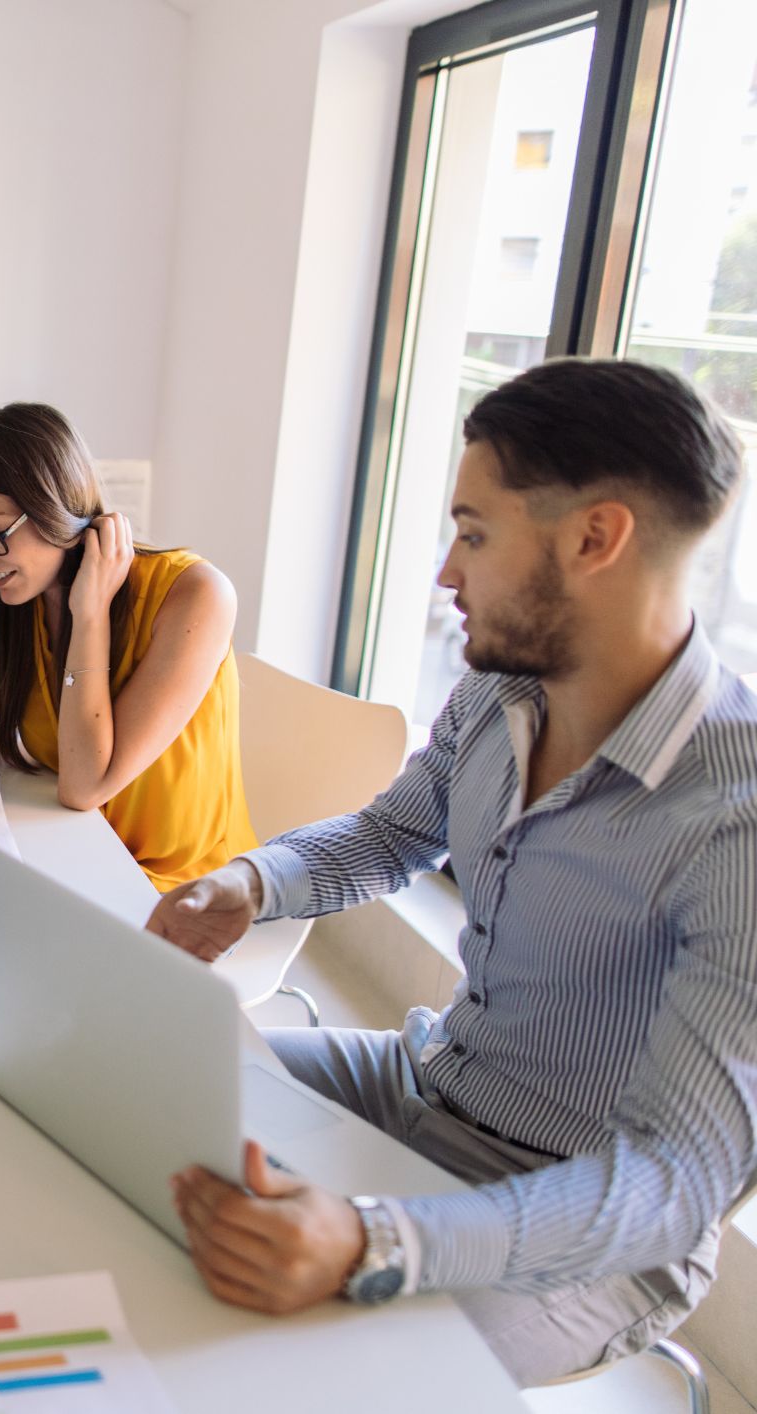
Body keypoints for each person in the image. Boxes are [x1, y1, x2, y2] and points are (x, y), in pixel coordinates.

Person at [146, 359, 757, 1385]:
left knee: (296, 1367)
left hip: (585, 1218)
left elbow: (668, 1179)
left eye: (471, 533)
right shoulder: (498, 693)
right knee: (138, 1078)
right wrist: (246, 884)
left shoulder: (733, 819)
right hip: (421, 1082)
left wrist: (377, 1240)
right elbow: (391, 836)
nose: (442, 572)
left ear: (593, 538)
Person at [0, 403, 257, 888]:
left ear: (53, 503)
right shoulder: (24, 600)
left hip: (180, 892)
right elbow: (64, 751)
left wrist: (90, 614)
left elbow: (85, 787)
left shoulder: (197, 596)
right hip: (73, 859)